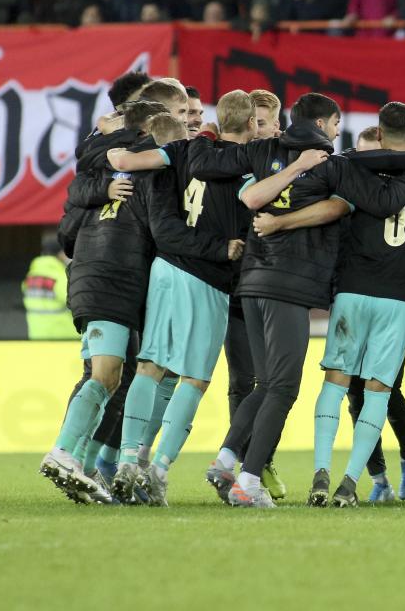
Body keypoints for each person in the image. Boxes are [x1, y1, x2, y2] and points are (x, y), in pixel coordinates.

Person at [251, 102, 405, 508]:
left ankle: (321, 471)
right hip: (398, 297)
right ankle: (350, 482)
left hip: (352, 289)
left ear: (377, 135)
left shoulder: (350, 168)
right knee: (379, 391)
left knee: (336, 382)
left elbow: (333, 207)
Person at [39, 99, 214, 501]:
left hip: (92, 278)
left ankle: (78, 464)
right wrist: (217, 248)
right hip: (113, 282)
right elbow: (164, 233)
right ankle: (65, 452)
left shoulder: (105, 170)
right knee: (105, 375)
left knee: (111, 376)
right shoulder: (149, 176)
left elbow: (68, 227)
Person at [105, 93, 251, 506]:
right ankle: (159, 468)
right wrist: (225, 248)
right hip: (206, 277)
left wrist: (112, 148)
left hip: (165, 269)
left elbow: (128, 163)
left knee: (150, 366)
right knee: (195, 378)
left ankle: (129, 460)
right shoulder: (243, 162)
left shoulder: (179, 152)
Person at [23, 234, 78, 340]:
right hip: (64, 338)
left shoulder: (32, 275)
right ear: (61, 253)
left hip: (37, 336)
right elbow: (77, 302)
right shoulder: (61, 277)